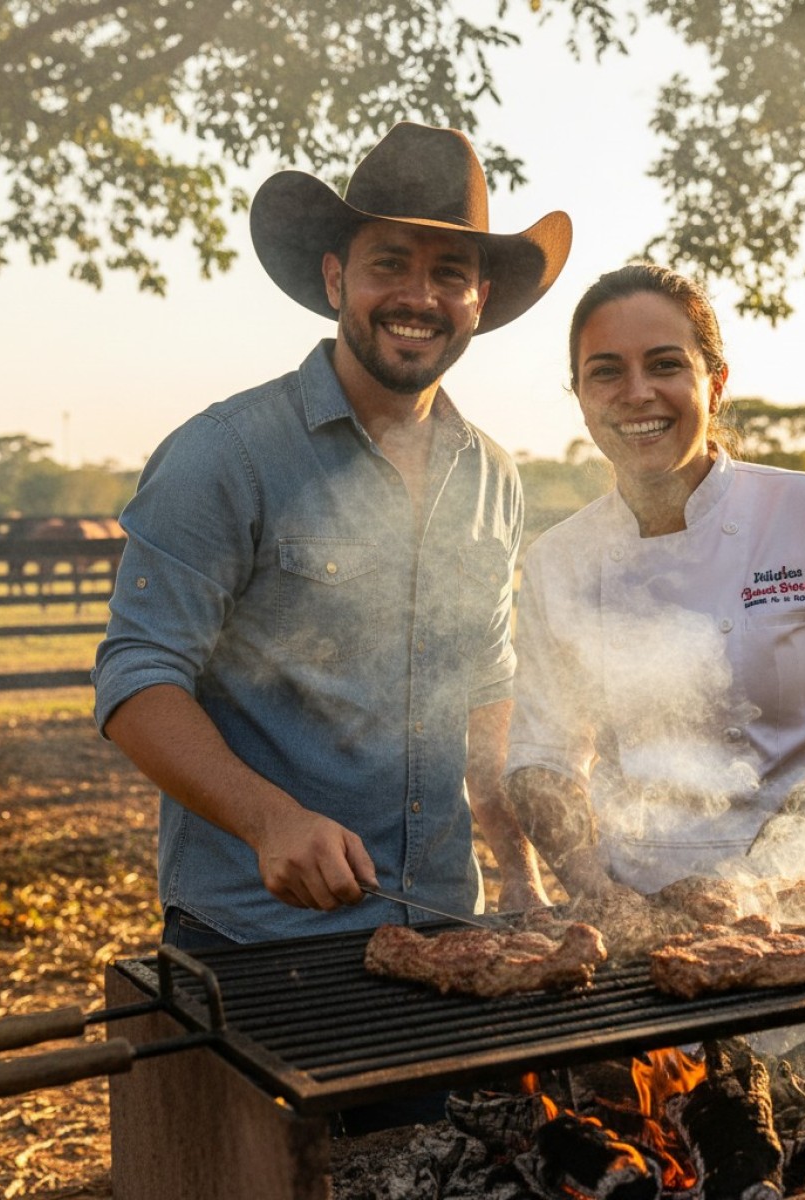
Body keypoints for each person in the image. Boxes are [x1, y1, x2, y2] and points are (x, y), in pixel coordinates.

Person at [93, 122, 572, 954]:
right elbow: (137, 682)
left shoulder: (492, 475)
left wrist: (517, 872)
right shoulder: (225, 454)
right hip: (258, 933)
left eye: (449, 273)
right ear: (335, 276)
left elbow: (486, 688)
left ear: (479, 300)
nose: (418, 297)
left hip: (442, 926)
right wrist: (270, 821)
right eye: (390, 263)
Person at [504, 260, 805, 908]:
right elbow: (541, 762)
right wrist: (598, 892)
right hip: (646, 905)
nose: (636, 392)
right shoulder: (560, 561)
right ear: (579, 396)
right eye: (605, 371)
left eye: (665, 364)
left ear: (714, 383)